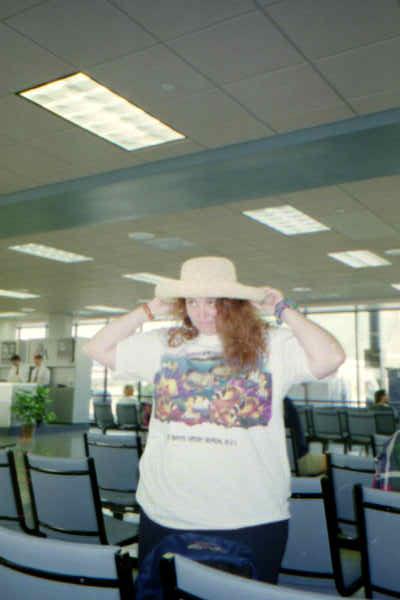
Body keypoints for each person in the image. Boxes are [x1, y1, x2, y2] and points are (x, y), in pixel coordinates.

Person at [84, 256, 345, 583]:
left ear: (233, 302)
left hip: (249, 517)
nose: (202, 312)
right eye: (192, 301)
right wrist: (147, 311)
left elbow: (331, 357)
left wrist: (283, 309)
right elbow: (96, 348)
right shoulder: (166, 342)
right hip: (166, 513)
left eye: (213, 302)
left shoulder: (272, 343)